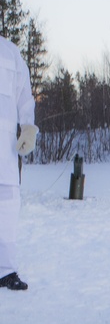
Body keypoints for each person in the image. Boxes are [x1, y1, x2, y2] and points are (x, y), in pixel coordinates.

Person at [0, 34, 38, 291]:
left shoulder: (9, 52)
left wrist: (28, 126)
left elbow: (24, 95)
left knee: (8, 206)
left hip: (5, 150)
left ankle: (6, 270)